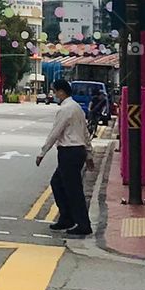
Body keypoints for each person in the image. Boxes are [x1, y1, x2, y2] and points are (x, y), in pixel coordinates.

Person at [36, 77, 94, 236]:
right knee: (58, 183)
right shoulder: (77, 108)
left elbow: (55, 133)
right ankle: (67, 217)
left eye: (55, 91)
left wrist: (42, 152)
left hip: (69, 151)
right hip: (77, 151)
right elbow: (85, 133)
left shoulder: (65, 109)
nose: (54, 94)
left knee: (73, 189)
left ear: (61, 92)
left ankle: (83, 224)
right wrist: (88, 154)